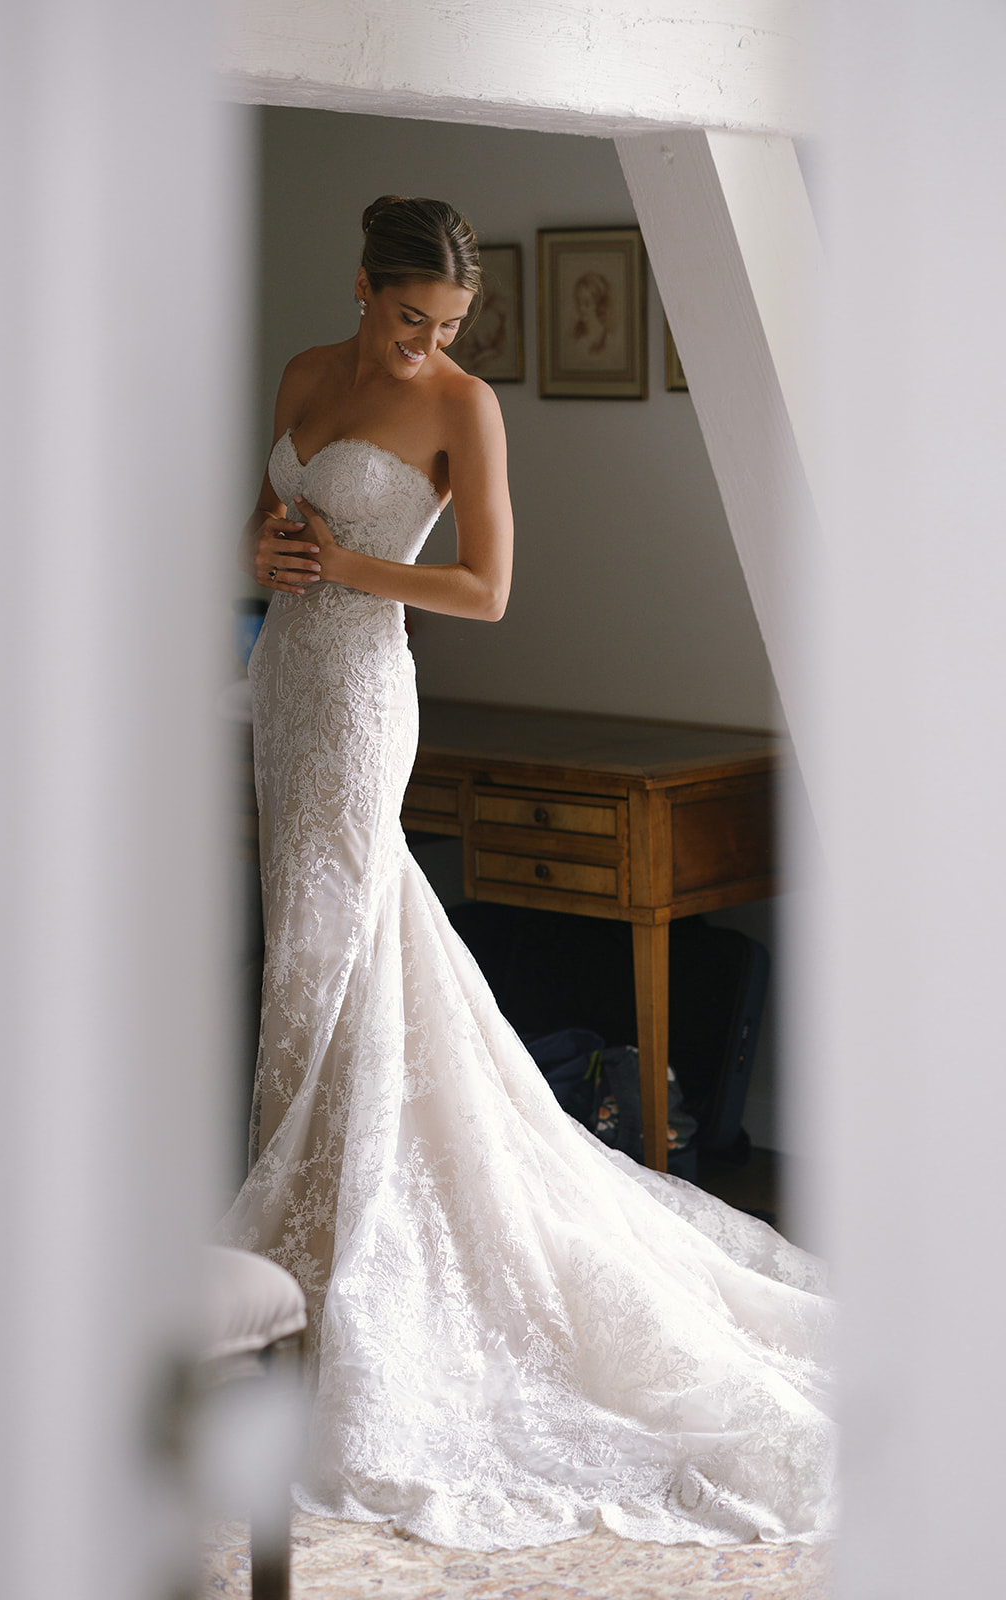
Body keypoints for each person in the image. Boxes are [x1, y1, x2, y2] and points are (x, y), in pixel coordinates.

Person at [222, 195, 836, 1554]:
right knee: (311, 954)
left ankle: (336, 1279)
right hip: (287, 689)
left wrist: (359, 563)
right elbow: (268, 528)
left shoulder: (465, 409)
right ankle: (297, 1268)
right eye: (405, 319)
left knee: (336, 950)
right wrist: (263, 553)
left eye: (445, 328)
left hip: (368, 696)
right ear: (363, 286)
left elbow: (490, 589)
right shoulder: (303, 375)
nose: (421, 344)